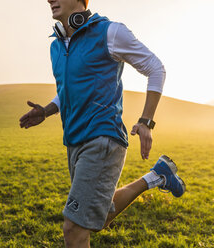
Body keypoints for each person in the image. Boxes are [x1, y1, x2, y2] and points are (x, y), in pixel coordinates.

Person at [19, 0, 186, 247]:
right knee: (98, 216)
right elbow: (69, 88)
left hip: (103, 137)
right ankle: (156, 176)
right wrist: (48, 110)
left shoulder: (110, 32)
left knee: (74, 229)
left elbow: (155, 68)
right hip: (74, 141)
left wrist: (146, 121)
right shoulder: (56, 46)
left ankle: (156, 175)